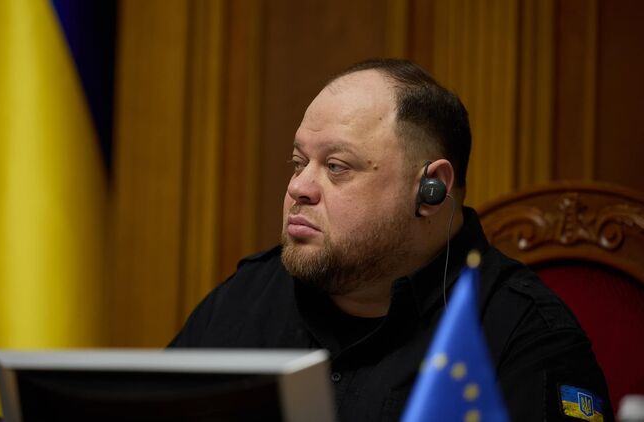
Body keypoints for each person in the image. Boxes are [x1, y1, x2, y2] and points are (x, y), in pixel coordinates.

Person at [169, 58, 612, 421]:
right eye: (298, 163)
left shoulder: (522, 336)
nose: (298, 187)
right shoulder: (244, 298)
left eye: (336, 167)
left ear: (429, 191)